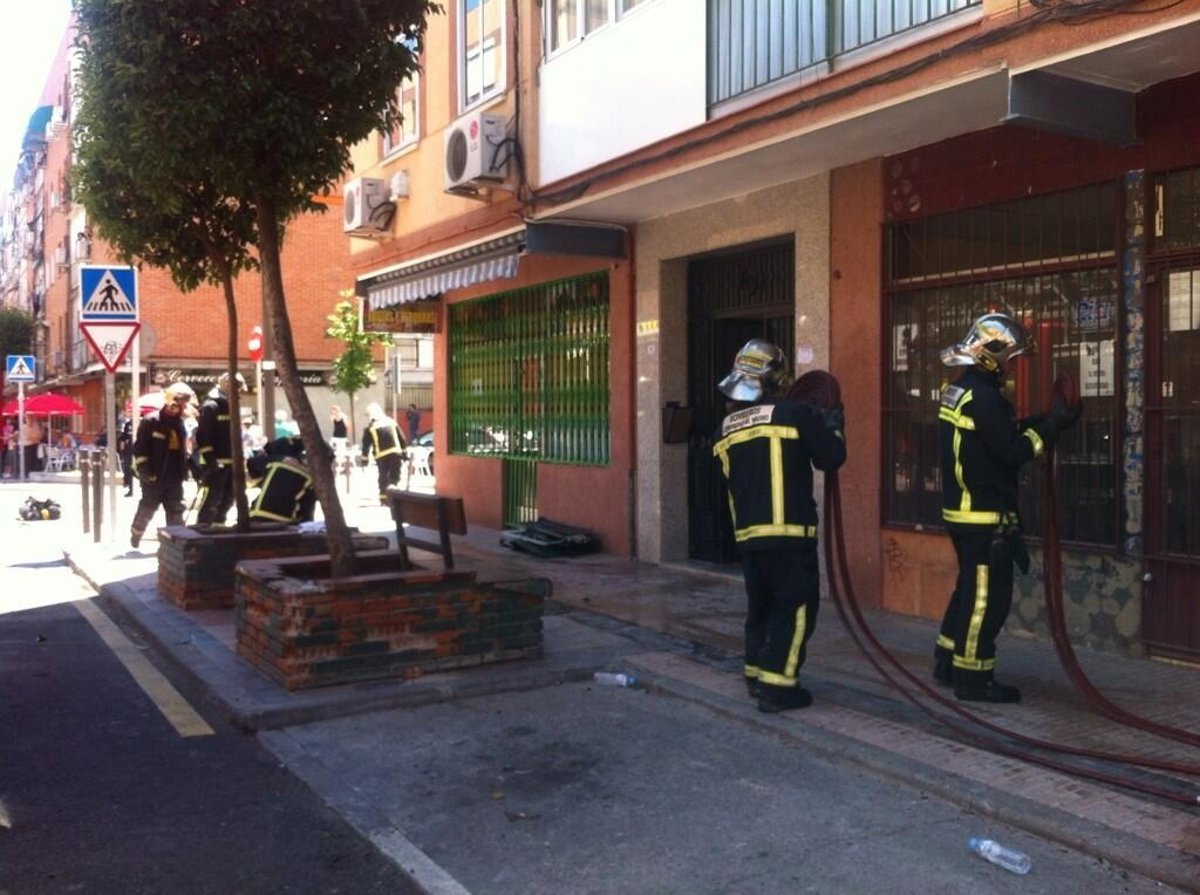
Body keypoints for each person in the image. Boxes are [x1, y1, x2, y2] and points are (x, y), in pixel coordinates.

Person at [935, 313, 1082, 703]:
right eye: (1011, 359)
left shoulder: (962, 391)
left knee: (969, 590)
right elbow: (1013, 450)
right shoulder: (984, 399)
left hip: (963, 512)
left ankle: (946, 660)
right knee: (987, 601)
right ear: (992, 355)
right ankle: (973, 679)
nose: (1014, 367)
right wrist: (1050, 429)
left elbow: (1000, 433)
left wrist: (1049, 420)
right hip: (983, 518)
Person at [712, 340, 847, 713]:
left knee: (761, 608)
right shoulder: (794, 413)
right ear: (776, 378)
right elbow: (831, 458)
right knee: (796, 607)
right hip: (789, 535)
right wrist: (834, 425)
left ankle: (756, 675)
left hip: (748, 538)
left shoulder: (726, 427)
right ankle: (778, 687)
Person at [129, 381, 195, 549]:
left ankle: (174, 545)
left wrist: (193, 467)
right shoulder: (151, 421)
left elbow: (181, 451)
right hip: (154, 475)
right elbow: (140, 449)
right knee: (148, 507)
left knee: (176, 511)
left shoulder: (178, 424)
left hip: (174, 476)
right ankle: (136, 534)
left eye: (184, 403)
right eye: (181, 402)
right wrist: (145, 472)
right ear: (171, 400)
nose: (183, 407)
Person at [194, 372, 246, 525]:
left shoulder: (231, 406)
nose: (239, 391)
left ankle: (219, 528)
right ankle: (203, 529)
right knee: (212, 500)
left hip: (232, 463)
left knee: (228, 499)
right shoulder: (211, 406)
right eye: (237, 387)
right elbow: (203, 436)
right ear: (228, 386)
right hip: (215, 464)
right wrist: (211, 461)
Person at [247, 436, 317, 523]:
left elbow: (252, 464)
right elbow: (307, 516)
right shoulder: (309, 479)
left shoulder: (273, 464)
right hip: (282, 521)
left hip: (255, 516)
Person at [361, 402, 404, 502]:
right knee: (394, 476)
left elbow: (366, 445)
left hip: (381, 455)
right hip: (395, 452)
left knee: (383, 476)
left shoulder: (370, 427)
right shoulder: (391, 422)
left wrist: (364, 459)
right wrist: (405, 453)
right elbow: (401, 438)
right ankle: (394, 497)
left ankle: (384, 498)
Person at [116, 417, 134, 496]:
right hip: (128, 451)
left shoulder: (142, 423)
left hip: (138, 451)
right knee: (128, 469)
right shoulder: (128, 424)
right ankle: (130, 488)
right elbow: (123, 437)